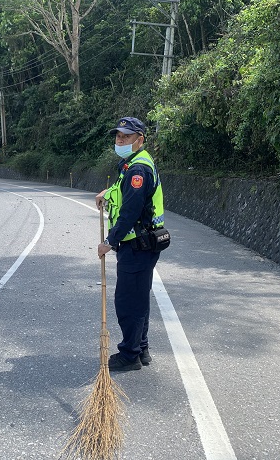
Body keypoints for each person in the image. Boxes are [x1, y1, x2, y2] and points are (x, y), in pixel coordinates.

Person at [95, 116, 165, 372]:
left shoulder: (138, 169)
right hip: (143, 244)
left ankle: (130, 355)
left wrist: (109, 242)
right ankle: (141, 347)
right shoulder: (133, 164)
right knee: (139, 298)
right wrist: (108, 193)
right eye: (118, 136)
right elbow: (124, 192)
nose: (120, 140)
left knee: (128, 302)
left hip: (136, 245)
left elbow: (131, 211)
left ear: (140, 140)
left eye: (126, 136)